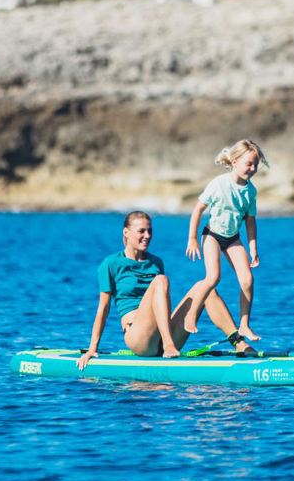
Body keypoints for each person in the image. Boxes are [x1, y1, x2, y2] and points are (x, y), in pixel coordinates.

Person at [77, 211, 252, 370]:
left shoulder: (156, 262)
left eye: (150, 231)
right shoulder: (111, 264)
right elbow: (103, 309)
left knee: (205, 289)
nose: (147, 236)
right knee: (161, 280)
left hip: (166, 331)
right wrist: (92, 349)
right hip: (139, 339)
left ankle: (238, 342)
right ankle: (168, 344)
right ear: (126, 233)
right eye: (141, 231)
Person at [185, 139, 269, 341]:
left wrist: (253, 248)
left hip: (232, 239)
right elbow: (198, 209)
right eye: (249, 163)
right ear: (235, 162)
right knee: (213, 277)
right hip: (212, 235)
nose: (252, 168)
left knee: (248, 280)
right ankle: (190, 315)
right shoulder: (218, 184)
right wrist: (192, 239)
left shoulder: (251, 191)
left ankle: (244, 326)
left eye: (255, 165)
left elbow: (250, 221)